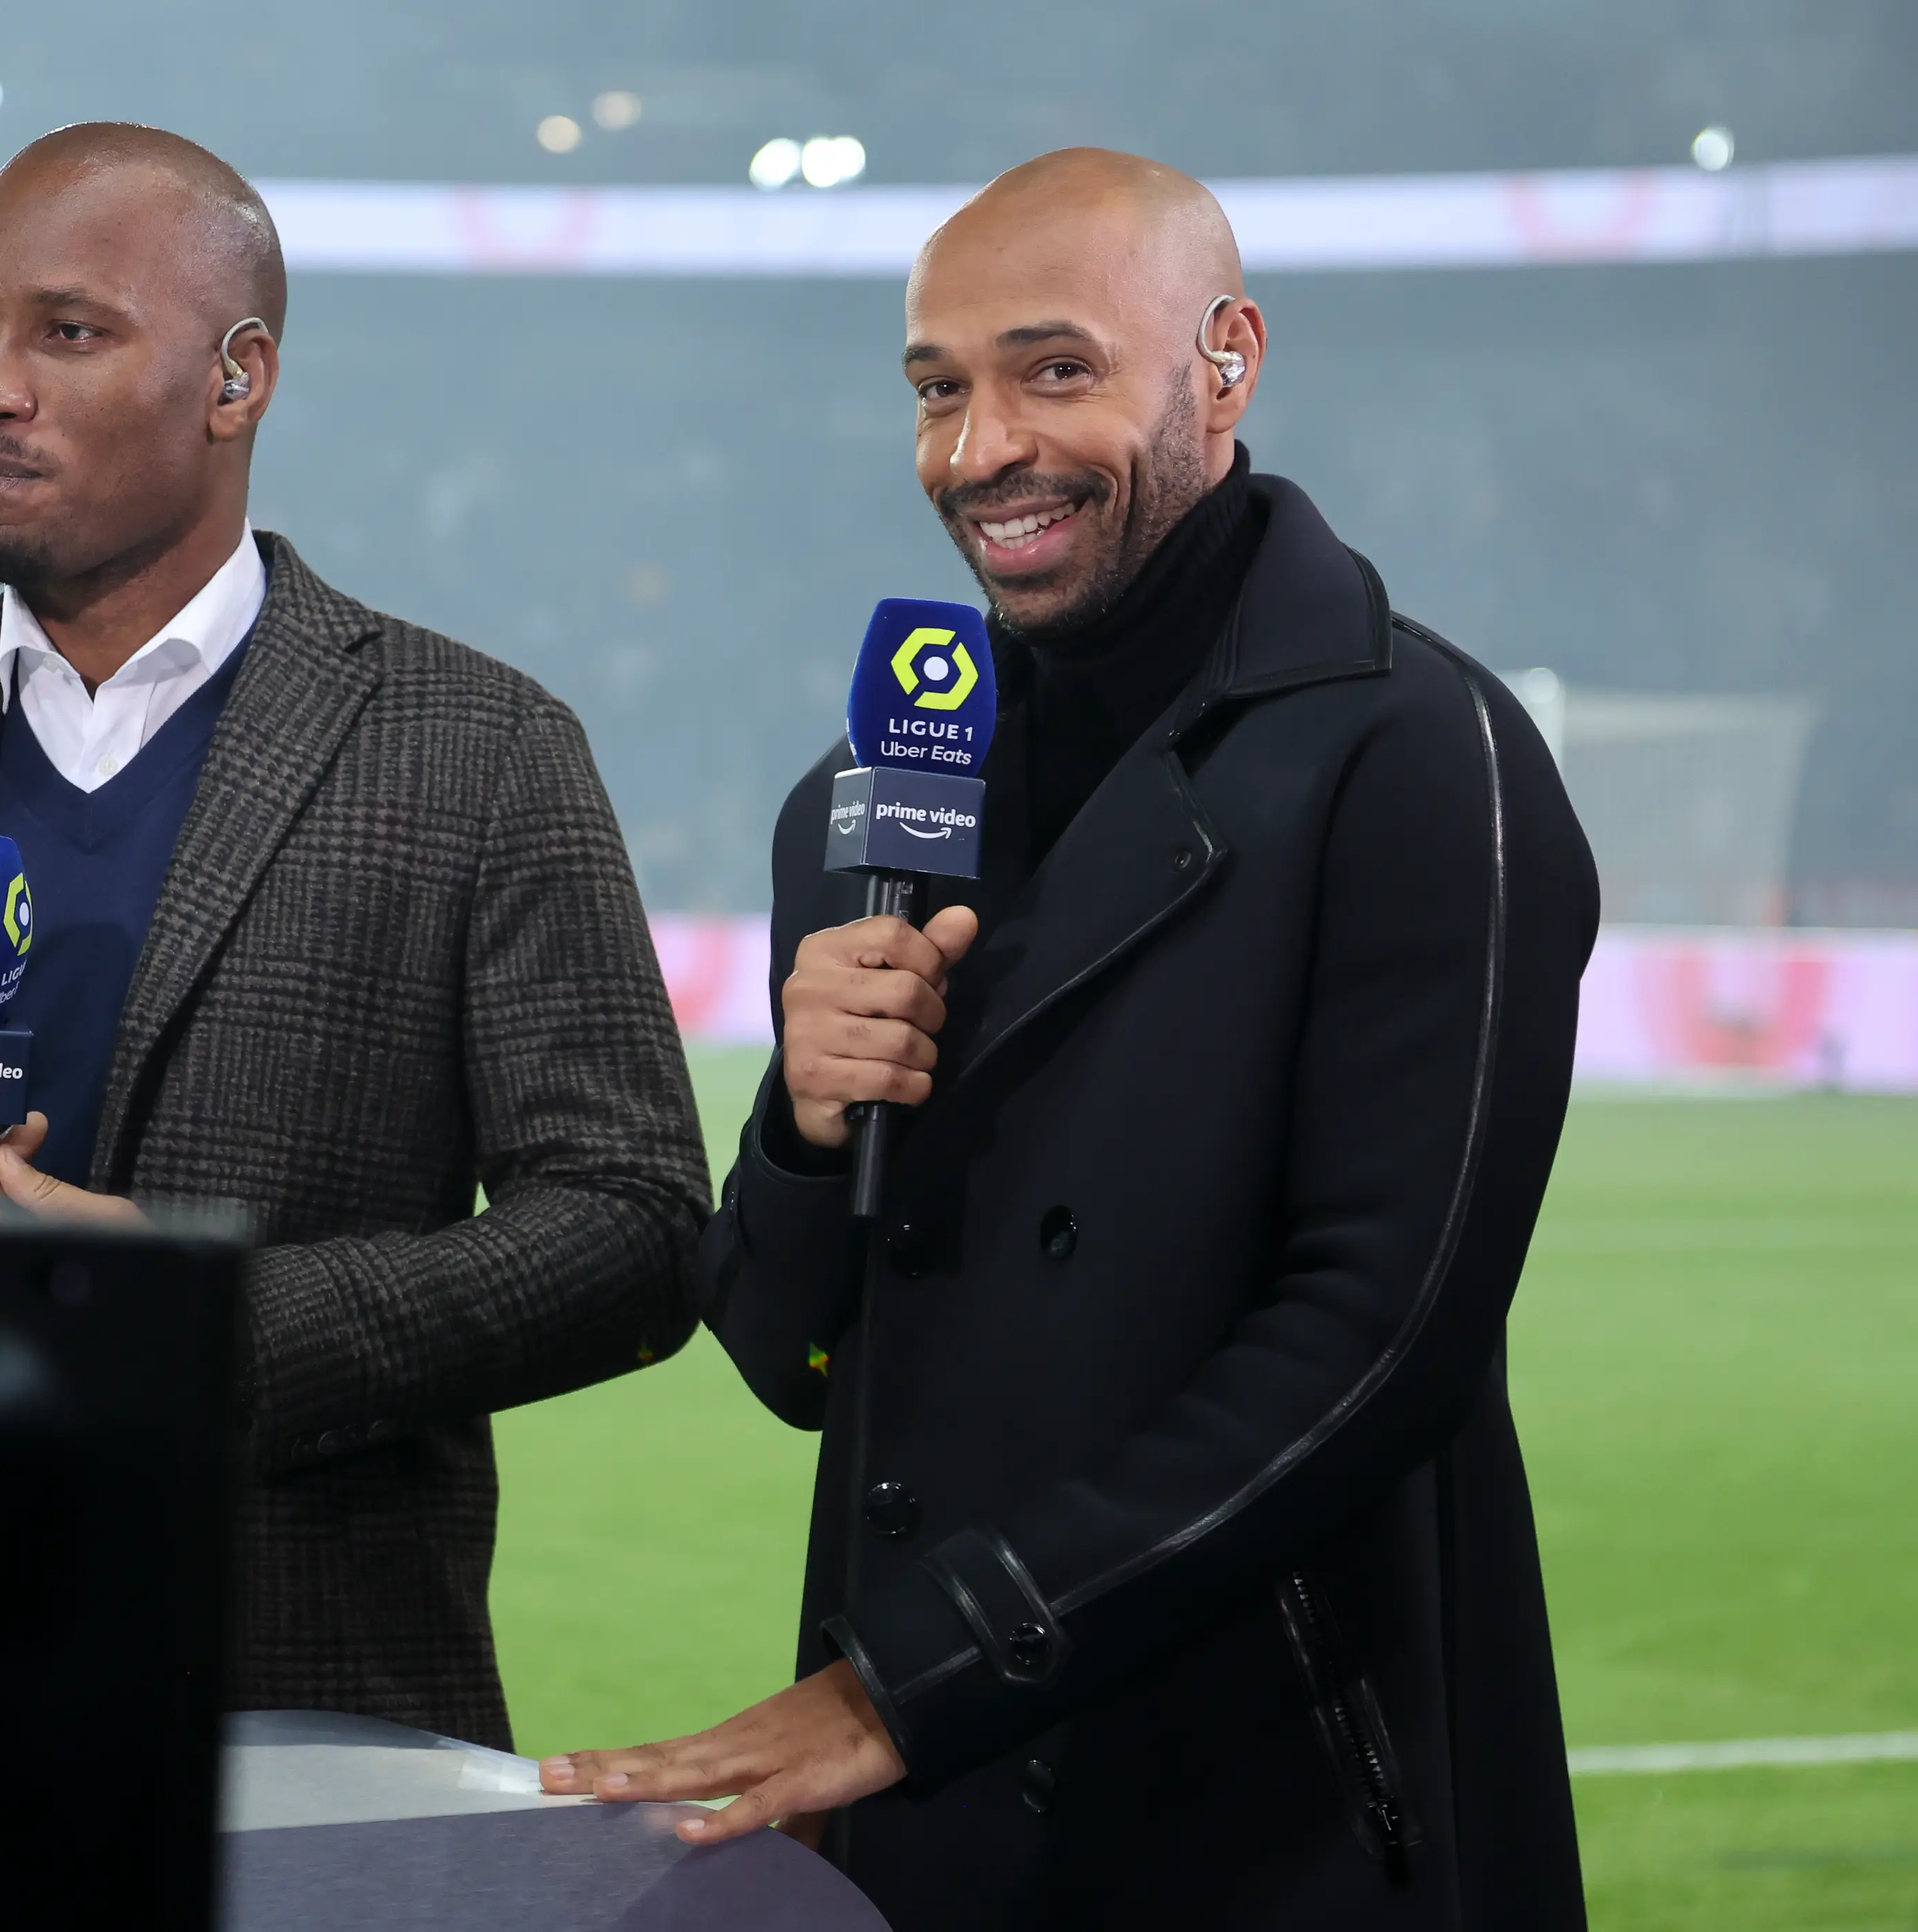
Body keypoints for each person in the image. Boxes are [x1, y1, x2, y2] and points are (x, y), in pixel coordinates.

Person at [541, 148, 1597, 1929]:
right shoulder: (860, 808)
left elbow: (1379, 1337)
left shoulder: (1422, 755)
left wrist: (914, 1677)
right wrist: (804, 1132)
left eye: (1054, 370)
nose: (979, 452)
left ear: (1228, 356)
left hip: (1282, 1820)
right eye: (938, 389)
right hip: (929, 1821)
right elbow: (785, 1351)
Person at [0, 123, 708, 1751]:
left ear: (236, 377)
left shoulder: (479, 747)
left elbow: (632, 1231)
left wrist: (205, 1328)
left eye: (68, 332)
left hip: (309, 1729)